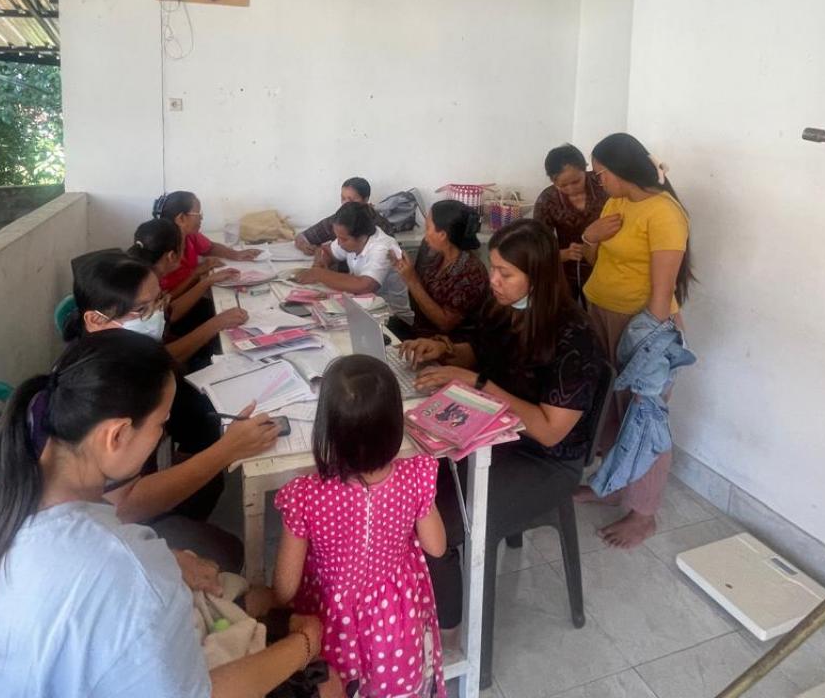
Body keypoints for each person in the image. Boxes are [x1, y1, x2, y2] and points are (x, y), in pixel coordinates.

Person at [0, 331, 342, 697]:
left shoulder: (2, 487)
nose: (162, 434)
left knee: (229, 598)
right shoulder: (127, 569)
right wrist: (304, 645)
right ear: (117, 434)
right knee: (327, 682)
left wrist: (169, 562)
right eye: (161, 424)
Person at [401, 219, 604, 635]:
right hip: (494, 433)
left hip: (544, 460)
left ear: (538, 277)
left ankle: (447, 627)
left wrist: (477, 384)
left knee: (431, 518)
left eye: (505, 273)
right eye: (493, 267)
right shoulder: (502, 308)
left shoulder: (574, 336)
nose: (493, 280)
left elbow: (549, 431)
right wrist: (442, 350)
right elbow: (479, 352)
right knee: (407, 484)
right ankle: (418, 600)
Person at [63, 250, 277, 570]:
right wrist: (227, 450)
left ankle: (176, 510)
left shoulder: (122, 355)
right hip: (102, 532)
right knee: (226, 550)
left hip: (110, 503)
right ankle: (170, 522)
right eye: (142, 310)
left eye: (159, 301)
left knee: (205, 457)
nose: (158, 316)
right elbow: (123, 507)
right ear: (95, 320)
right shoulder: (105, 390)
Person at [273, 355, 446, 698]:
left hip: (329, 621)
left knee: (337, 688)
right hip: (394, 621)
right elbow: (437, 546)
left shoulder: (304, 496)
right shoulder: (416, 477)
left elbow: (284, 589)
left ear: (326, 429)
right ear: (396, 424)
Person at [575, 132, 692, 549]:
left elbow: (662, 295)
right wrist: (590, 236)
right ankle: (612, 486)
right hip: (602, 315)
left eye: (600, 173)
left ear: (621, 171)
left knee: (643, 415)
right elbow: (597, 258)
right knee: (609, 410)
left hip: (642, 327)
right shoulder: (616, 203)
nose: (597, 181)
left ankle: (644, 513)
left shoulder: (665, 214)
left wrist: (646, 352)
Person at [154, 191, 261, 366]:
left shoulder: (189, 236)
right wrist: (199, 277)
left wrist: (236, 254)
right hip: (174, 320)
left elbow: (209, 247)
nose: (202, 218)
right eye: (198, 213)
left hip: (181, 307)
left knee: (232, 312)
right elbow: (168, 309)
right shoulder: (162, 251)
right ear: (181, 218)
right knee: (226, 324)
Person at [389, 200, 490, 342]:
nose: (425, 235)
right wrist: (403, 269)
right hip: (419, 332)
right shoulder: (433, 254)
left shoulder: (471, 272)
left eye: (427, 228)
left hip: (448, 344)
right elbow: (419, 297)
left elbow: (445, 324)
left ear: (442, 235)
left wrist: (411, 280)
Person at [290, 202, 411, 322]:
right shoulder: (351, 239)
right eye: (337, 237)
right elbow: (326, 251)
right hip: (364, 308)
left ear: (362, 236)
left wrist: (319, 274)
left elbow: (365, 285)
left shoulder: (383, 247)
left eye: (343, 239)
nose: (339, 243)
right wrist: (319, 264)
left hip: (393, 318)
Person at [533, 143, 609, 298]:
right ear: (553, 181)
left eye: (576, 181)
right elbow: (539, 247)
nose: (571, 189)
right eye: (562, 185)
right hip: (567, 270)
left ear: (585, 169)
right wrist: (564, 254)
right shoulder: (547, 200)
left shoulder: (602, 184)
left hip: (606, 263)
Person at [294, 178, 393, 255]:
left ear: (365, 200)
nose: (346, 204)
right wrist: (304, 246)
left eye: (351, 200)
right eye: (343, 198)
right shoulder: (337, 220)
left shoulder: (381, 226)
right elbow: (302, 237)